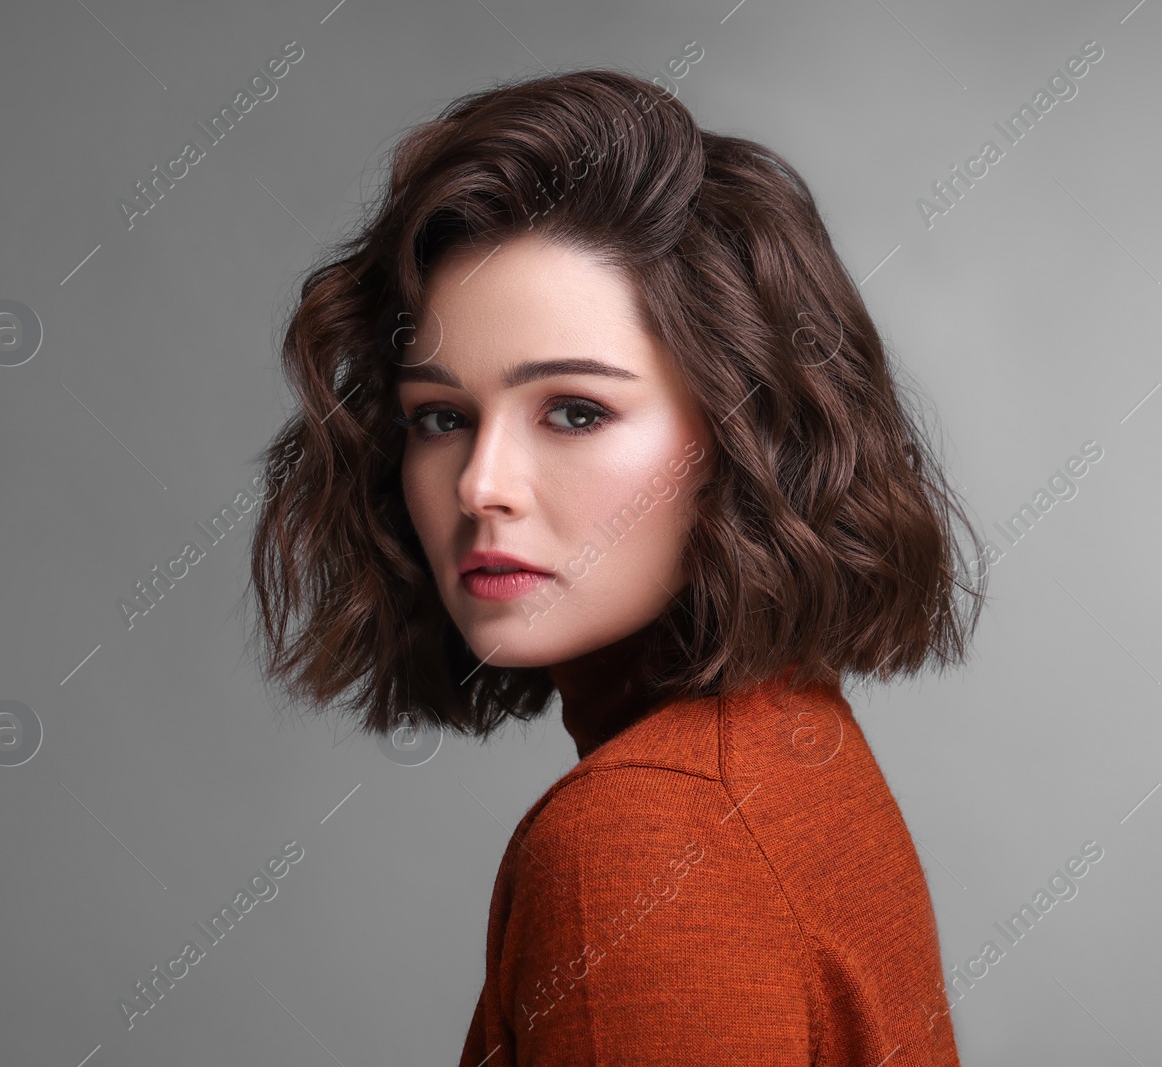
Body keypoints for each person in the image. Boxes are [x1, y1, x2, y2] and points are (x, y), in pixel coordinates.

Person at [248, 67, 986, 1066]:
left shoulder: (642, 836)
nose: (480, 484)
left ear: (742, 436)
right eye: (440, 416)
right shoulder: (786, 740)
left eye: (574, 410)